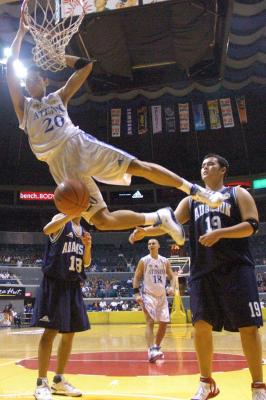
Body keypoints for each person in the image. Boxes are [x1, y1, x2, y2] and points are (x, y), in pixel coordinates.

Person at [6, 8, 227, 245]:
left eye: (34, 76)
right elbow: (10, 65)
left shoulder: (58, 97)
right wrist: (20, 33)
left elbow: (86, 66)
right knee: (101, 220)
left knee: (137, 166)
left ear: (45, 80)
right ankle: (158, 217)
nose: (29, 80)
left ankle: (195, 190)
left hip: (78, 145)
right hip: (58, 165)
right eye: (27, 78)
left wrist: (58, 57)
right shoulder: (24, 107)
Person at [129, 153, 266, 400]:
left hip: (236, 268)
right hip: (203, 270)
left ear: (223, 169)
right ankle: (206, 383)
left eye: (210, 164)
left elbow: (252, 225)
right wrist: (145, 231)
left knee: (248, 327)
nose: (204, 167)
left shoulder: (237, 194)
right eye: (202, 164)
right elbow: (169, 222)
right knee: (200, 327)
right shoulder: (191, 200)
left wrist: (220, 233)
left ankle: (258, 387)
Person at [32, 213, 92, 400]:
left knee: (69, 333)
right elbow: (46, 229)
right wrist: (69, 213)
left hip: (73, 285)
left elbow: (87, 262)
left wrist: (88, 246)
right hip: (55, 283)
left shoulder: (83, 231)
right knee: (50, 331)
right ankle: (41, 382)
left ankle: (58, 380)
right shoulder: (61, 219)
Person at [133, 238, 176, 362]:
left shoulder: (164, 261)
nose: (151, 245)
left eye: (153, 243)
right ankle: (151, 349)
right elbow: (136, 277)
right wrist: (136, 294)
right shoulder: (144, 260)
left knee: (164, 323)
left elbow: (172, 277)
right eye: (149, 244)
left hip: (162, 296)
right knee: (150, 321)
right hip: (148, 295)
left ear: (158, 246)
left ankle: (156, 347)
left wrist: (172, 287)